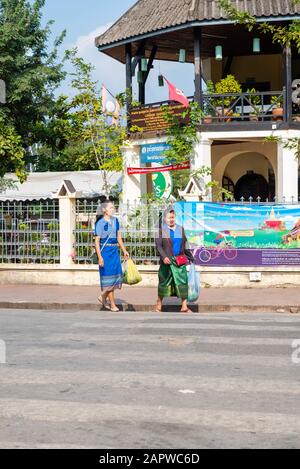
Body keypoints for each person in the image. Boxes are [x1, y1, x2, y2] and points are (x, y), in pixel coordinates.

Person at [155, 207, 194, 313]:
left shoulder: (179, 229)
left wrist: (190, 258)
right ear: (165, 219)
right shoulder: (162, 230)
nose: (171, 219)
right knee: (164, 283)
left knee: (182, 282)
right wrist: (164, 257)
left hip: (179, 260)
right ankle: (159, 303)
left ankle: (184, 306)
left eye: (172, 217)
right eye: (169, 218)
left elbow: (185, 245)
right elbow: (159, 246)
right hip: (166, 262)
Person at [94, 200, 129, 312]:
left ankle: (103, 297)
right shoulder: (99, 223)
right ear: (104, 210)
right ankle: (112, 304)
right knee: (108, 278)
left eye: (113, 207)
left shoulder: (116, 221)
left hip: (114, 251)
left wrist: (124, 251)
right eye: (110, 208)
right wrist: (100, 257)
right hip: (105, 252)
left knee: (116, 276)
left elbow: (119, 237)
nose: (113, 209)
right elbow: (97, 242)